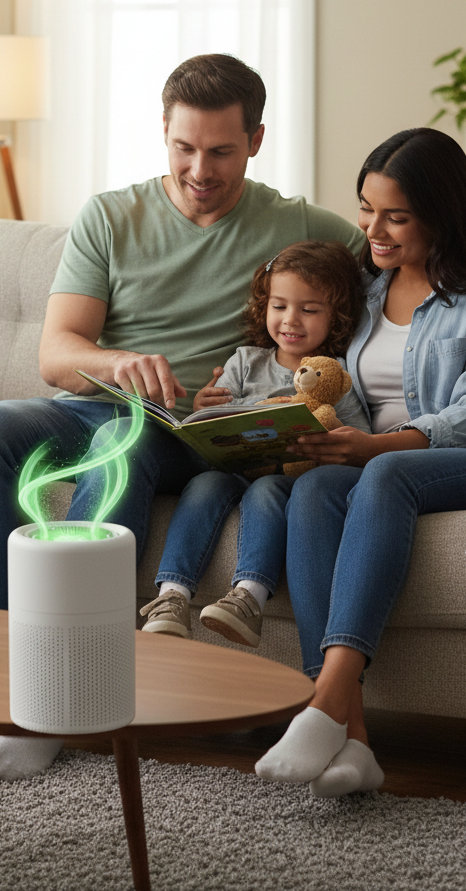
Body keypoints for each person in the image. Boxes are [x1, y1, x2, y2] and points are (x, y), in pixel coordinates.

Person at [0, 55, 466, 781]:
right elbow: (56, 353)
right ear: (163, 133)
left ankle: (71, 690)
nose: (201, 168)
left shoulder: (306, 231)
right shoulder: (111, 216)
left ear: (255, 141)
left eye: (222, 151)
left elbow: (432, 253)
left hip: (203, 434)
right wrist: (117, 363)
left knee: (121, 443)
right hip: (110, 399)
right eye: (184, 147)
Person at [250, 127, 466, 799]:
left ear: (441, 214)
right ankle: (354, 741)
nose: (374, 229)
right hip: (370, 457)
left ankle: (322, 697)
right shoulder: (359, 287)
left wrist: (374, 448)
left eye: (396, 215)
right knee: (314, 491)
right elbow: (318, 365)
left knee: (382, 472)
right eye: (366, 208)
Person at [141, 240, 368, 647]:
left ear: (337, 318)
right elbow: (212, 415)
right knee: (203, 485)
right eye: (279, 306)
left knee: (266, 491)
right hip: (230, 467)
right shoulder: (245, 361)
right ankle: (171, 598)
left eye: (310, 309)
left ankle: (248, 597)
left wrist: (325, 438)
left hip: (289, 479)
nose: (290, 320)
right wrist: (200, 407)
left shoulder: (338, 376)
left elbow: (355, 441)